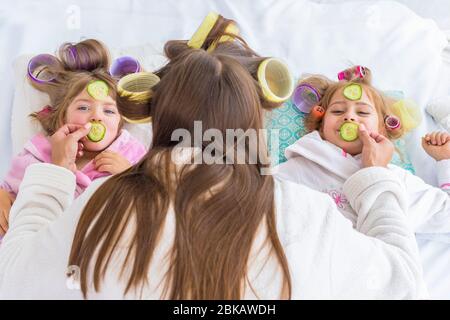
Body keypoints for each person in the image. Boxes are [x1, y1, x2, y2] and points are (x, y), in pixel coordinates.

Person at [0, 15, 427, 299]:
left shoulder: (103, 203)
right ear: (253, 125)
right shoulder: (304, 212)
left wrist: (53, 175)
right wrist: (375, 178)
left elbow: (15, 282)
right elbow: (404, 285)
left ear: (157, 116)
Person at [0, 39, 147, 237]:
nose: (96, 116)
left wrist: (130, 176)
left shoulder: (130, 154)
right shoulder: (41, 153)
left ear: (121, 123)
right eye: (83, 107)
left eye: (109, 111)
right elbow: (12, 190)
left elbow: (155, 200)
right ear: (62, 117)